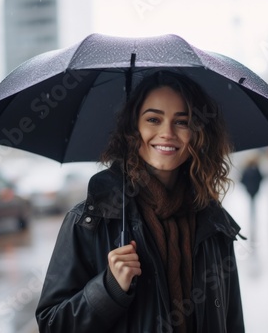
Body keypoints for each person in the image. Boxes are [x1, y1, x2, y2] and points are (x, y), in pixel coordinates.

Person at [35, 70, 245, 332]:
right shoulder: (92, 220)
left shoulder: (214, 224)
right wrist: (109, 288)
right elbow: (53, 323)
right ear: (133, 128)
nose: (167, 132)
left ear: (197, 133)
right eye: (153, 119)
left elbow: (232, 321)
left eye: (182, 122)